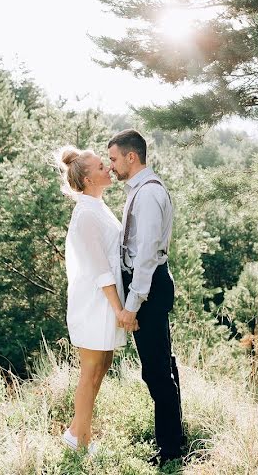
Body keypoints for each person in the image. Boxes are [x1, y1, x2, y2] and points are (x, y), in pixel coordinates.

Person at [107, 129, 186, 466]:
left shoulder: (149, 194)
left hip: (149, 287)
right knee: (162, 364)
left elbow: (147, 256)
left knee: (155, 372)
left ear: (131, 157)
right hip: (147, 286)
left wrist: (131, 305)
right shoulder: (138, 190)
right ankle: (176, 437)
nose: (110, 166)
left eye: (113, 159)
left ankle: (170, 452)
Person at [55, 145, 135, 454]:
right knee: (90, 372)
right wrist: (120, 309)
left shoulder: (98, 206)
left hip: (104, 302)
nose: (109, 169)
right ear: (88, 179)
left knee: (104, 364)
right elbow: (101, 269)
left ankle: (77, 430)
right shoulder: (85, 215)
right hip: (93, 304)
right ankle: (80, 442)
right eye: (102, 167)